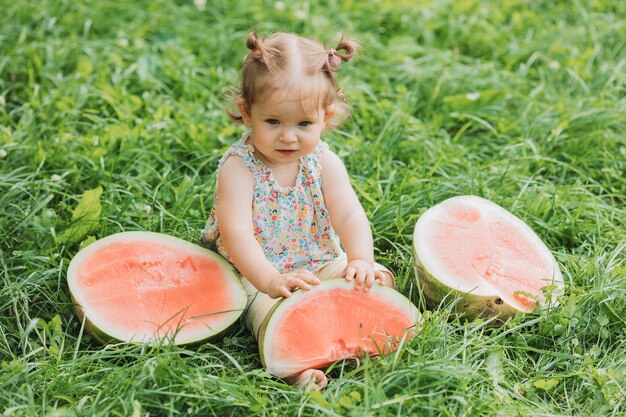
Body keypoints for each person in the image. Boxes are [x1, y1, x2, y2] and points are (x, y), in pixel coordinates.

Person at [201, 31, 393, 390]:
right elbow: (237, 233)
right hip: (256, 269)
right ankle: (297, 368)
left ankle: (369, 332)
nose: (289, 137)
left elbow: (348, 214)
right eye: (273, 122)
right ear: (247, 113)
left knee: (375, 278)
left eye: (304, 124)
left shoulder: (324, 161)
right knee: (268, 316)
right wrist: (271, 281)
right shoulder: (239, 167)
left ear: (327, 117)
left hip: (317, 256)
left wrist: (361, 260)